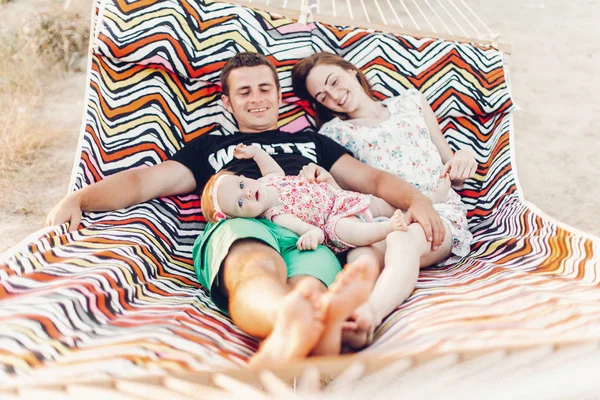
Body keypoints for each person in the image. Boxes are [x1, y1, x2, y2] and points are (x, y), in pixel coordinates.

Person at [45, 52, 446, 364]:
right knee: (255, 266)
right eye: (245, 91)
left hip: (312, 230)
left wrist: (418, 200)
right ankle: (292, 323)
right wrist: (79, 198)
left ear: (277, 95)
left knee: (309, 282)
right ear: (227, 101)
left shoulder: (315, 142)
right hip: (244, 221)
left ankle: (304, 322)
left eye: (265, 88)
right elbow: (142, 182)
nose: (257, 99)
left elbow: (372, 180)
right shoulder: (211, 147)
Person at [291, 52, 476, 348]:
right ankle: (335, 319)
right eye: (323, 96)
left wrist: (464, 158)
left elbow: (449, 165)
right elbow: (351, 190)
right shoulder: (335, 132)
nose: (335, 97)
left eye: (335, 82)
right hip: (384, 215)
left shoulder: (411, 102)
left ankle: (370, 315)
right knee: (360, 257)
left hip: (437, 209)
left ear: (352, 70)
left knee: (401, 241)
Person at [202, 144, 452, 254]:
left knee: (375, 201)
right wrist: (312, 236)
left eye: (242, 185)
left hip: (339, 197)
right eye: (241, 203)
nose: (246, 193)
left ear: (245, 177)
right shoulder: (276, 214)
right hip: (331, 219)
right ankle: (386, 228)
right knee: (346, 229)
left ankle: (429, 200)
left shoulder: (270, 179)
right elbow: (310, 229)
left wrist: (254, 152)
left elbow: (266, 161)